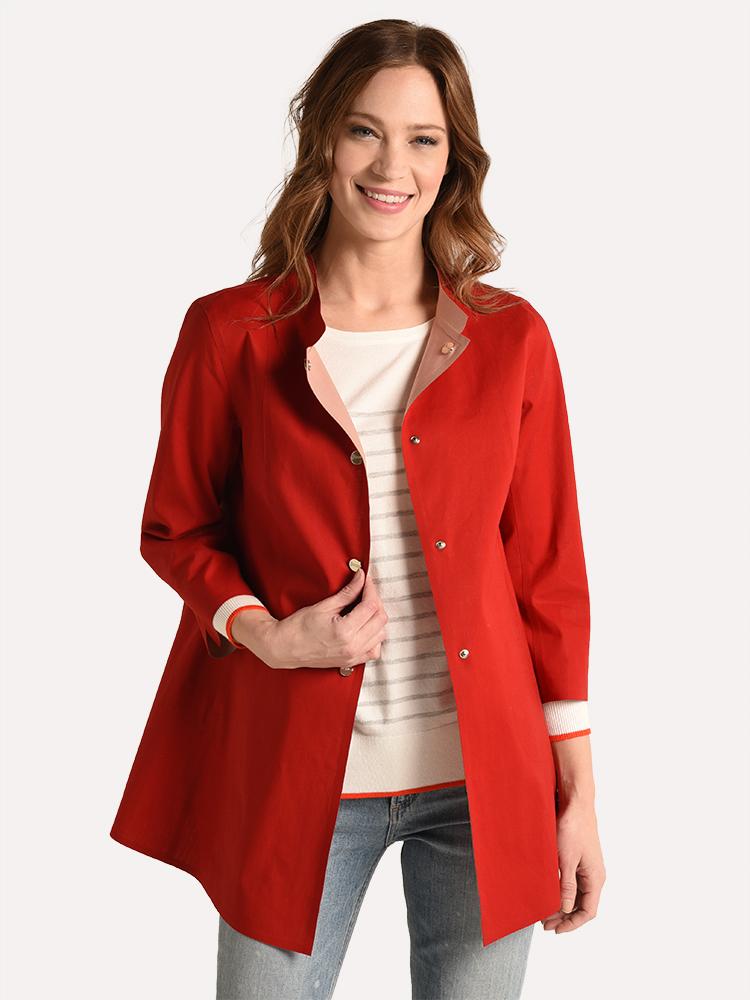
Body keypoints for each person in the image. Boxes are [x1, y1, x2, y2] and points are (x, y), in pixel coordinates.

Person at [110, 18, 606, 1000]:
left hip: (486, 781)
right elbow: (176, 528)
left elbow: (548, 573)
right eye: (364, 131)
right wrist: (265, 632)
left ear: (452, 160)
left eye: (423, 139)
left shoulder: (513, 339)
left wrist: (579, 794)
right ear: (324, 140)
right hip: (300, 776)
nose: (391, 166)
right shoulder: (232, 333)